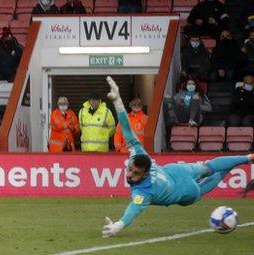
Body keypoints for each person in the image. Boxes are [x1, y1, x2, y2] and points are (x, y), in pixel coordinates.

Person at [101, 76, 254, 238]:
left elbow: (133, 209)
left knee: (206, 181)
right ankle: (248, 157)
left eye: (135, 173)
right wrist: (117, 101)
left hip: (184, 191)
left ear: (145, 173)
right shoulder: (139, 155)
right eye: (131, 170)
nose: (129, 174)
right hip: (176, 171)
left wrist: (119, 224)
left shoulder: (143, 192)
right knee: (208, 167)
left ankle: (235, 164)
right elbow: (126, 128)